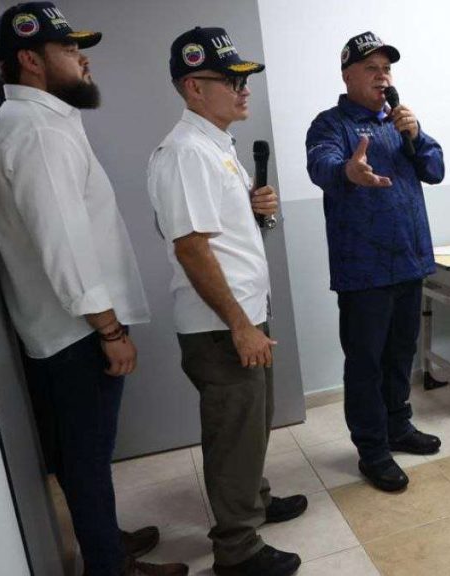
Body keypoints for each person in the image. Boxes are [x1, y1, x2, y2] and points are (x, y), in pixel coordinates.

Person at [0, 3, 186, 575]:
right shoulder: (35, 131)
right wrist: (110, 328)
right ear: (30, 59)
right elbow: (64, 246)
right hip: (77, 330)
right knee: (87, 456)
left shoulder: (43, 123)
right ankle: (107, 565)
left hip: (70, 325)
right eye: (69, 49)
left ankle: (106, 544)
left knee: (84, 456)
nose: (83, 58)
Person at [147, 26, 304, 576]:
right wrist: (240, 324)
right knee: (234, 430)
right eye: (229, 78)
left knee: (251, 423)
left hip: (242, 315)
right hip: (222, 325)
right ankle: (236, 550)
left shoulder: (218, 147)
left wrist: (257, 210)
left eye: (244, 78)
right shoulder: (186, 152)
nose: (243, 88)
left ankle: (254, 501)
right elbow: (190, 249)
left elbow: (221, 237)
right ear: (193, 86)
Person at [306, 31, 444, 492]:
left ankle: (398, 426)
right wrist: (348, 170)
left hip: (409, 262)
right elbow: (321, 165)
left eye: (387, 69)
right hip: (363, 270)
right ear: (348, 76)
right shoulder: (331, 125)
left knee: (401, 354)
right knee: (365, 361)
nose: (382, 77)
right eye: (371, 69)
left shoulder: (400, 122)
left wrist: (417, 134)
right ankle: (372, 448)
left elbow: (436, 170)